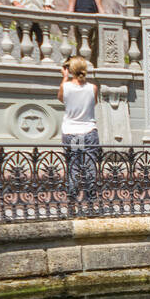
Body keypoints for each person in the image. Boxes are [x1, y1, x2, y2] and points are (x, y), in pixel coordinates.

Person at [57, 56, 100, 208]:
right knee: (90, 167)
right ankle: (91, 203)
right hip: (89, 131)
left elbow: (61, 99)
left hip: (70, 132)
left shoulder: (65, 87)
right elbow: (94, 103)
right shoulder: (93, 88)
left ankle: (72, 203)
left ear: (70, 70)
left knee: (73, 167)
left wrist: (64, 77)